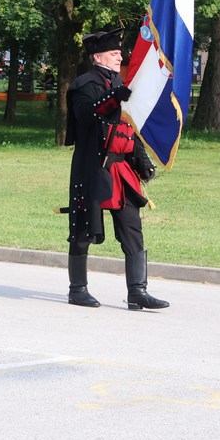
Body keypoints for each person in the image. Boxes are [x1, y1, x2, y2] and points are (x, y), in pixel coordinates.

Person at [65, 28, 167, 310]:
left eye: (119, 52)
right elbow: (87, 116)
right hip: (93, 168)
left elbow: (128, 127)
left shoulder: (122, 83)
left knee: (132, 228)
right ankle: (78, 289)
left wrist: (142, 161)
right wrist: (114, 97)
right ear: (97, 56)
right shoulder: (84, 84)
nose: (119, 56)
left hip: (122, 171)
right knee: (83, 229)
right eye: (113, 53)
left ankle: (138, 291)